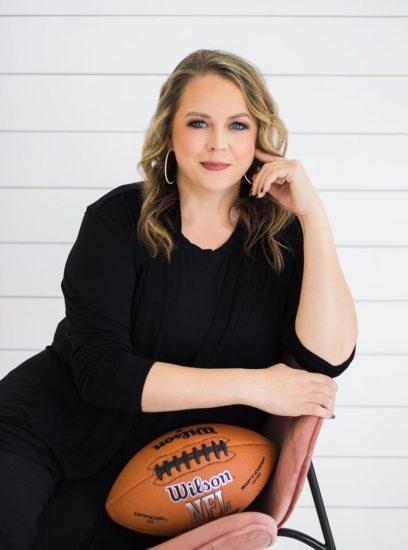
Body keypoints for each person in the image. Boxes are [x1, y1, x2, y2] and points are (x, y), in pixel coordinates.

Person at [0, 49, 357, 550]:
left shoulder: (283, 239)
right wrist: (255, 387)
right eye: (198, 123)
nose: (217, 143)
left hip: (170, 468)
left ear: (259, 137)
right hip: (48, 429)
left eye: (237, 125)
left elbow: (327, 359)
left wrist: (313, 215)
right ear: (170, 131)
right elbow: (101, 372)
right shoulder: (116, 220)